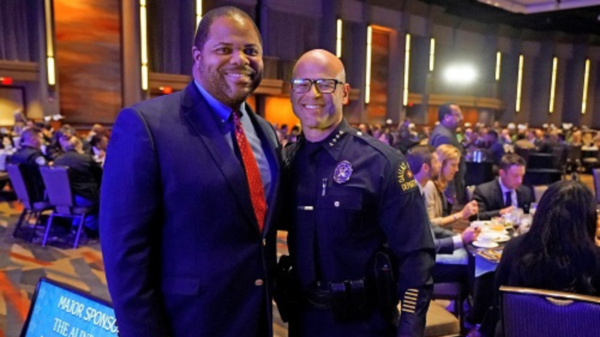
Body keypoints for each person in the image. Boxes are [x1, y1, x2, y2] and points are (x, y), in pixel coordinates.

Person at [100, 7, 281, 337]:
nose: (240, 59)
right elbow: (124, 253)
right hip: (187, 322)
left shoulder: (265, 132)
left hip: (254, 316)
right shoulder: (146, 126)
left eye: (251, 50)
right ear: (197, 56)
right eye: (224, 49)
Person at [282, 49, 434, 337]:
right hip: (302, 322)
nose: (312, 94)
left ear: (345, 92)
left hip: (365, 324)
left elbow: (416, 255)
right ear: (292, 93)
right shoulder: (286, 163)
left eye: (325, 84)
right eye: (302, 84)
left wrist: (410, 330)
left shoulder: (381, 162)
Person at [483, 180, 600, 336]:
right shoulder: (595, 258)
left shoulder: (515, 247)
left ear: (541, 212)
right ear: (589, 218)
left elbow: (498, 300)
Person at [407, 145, 478, 283]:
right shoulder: (411, 196)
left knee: (473, 257)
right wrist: (460, 240)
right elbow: (423, 245)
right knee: (473, 265)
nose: (439, 165)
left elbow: (429, 227)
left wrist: (459, 237)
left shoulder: (418, 190)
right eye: (436, 162)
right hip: (417, 264)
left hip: (425, 255)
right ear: (425, 168)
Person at [54, 135, 102, 237]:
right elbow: (101, 177)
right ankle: (94, 228)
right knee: (105, 196)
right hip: (82, 198)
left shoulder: (57, 161)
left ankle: (76, 224)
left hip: (61, 199)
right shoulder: (86, 159)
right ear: (78, 145)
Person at [423, 144, 478, 227]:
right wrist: (461, 214)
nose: (457, 169)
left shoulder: (442, 185)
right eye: (453, 165)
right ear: (441, 165)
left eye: (457, 165)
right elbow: (430, 224)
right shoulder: (429, 186)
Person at [472, 153, 533, 220]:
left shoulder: (526, 192)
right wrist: (500, 212)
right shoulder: (483, 191)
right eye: (515, 176)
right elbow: (477, 216)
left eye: (522, 176)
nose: (520, 181)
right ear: (502, 173)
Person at [429, 103, 466, 204]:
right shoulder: (444, 136)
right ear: (447, 117)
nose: (461, 118)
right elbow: (443, 167)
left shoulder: (447, 132)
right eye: (457, 115)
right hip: (445, 190)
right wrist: (450, 193)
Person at [9, 127, 49, 202]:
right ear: (34, 140)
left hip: (23, 195)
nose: (42, 142)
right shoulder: (35, 156)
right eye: (41, 138)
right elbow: (47, 174)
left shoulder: (14, 155)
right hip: (39, 196)